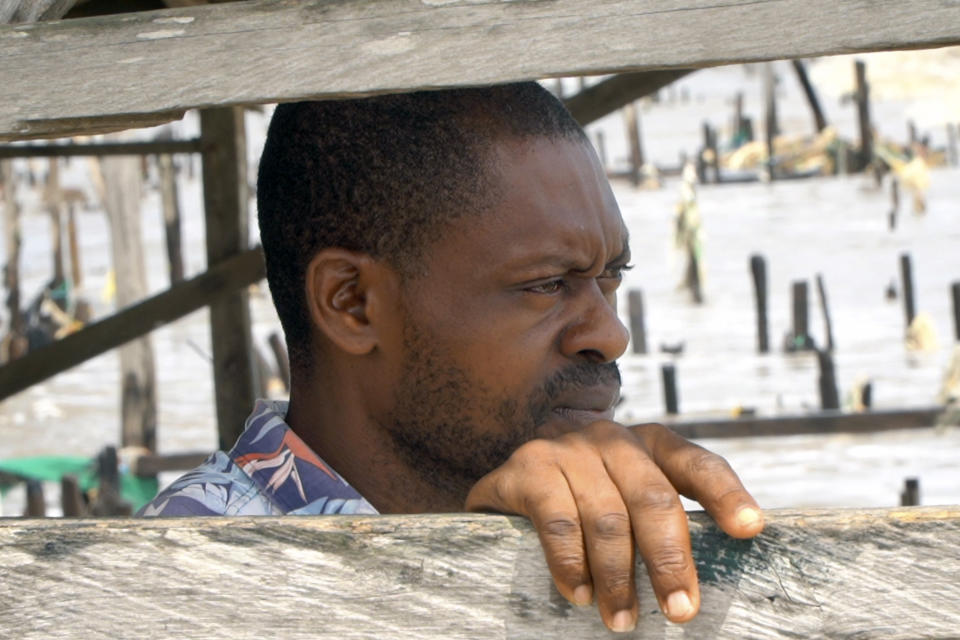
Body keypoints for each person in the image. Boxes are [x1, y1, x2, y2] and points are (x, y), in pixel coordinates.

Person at [139, 83, 764, 633]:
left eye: (611, 276)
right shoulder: (171, 580)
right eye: (546, 284)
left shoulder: (565, 525)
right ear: (352, 304)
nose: (611, 334)